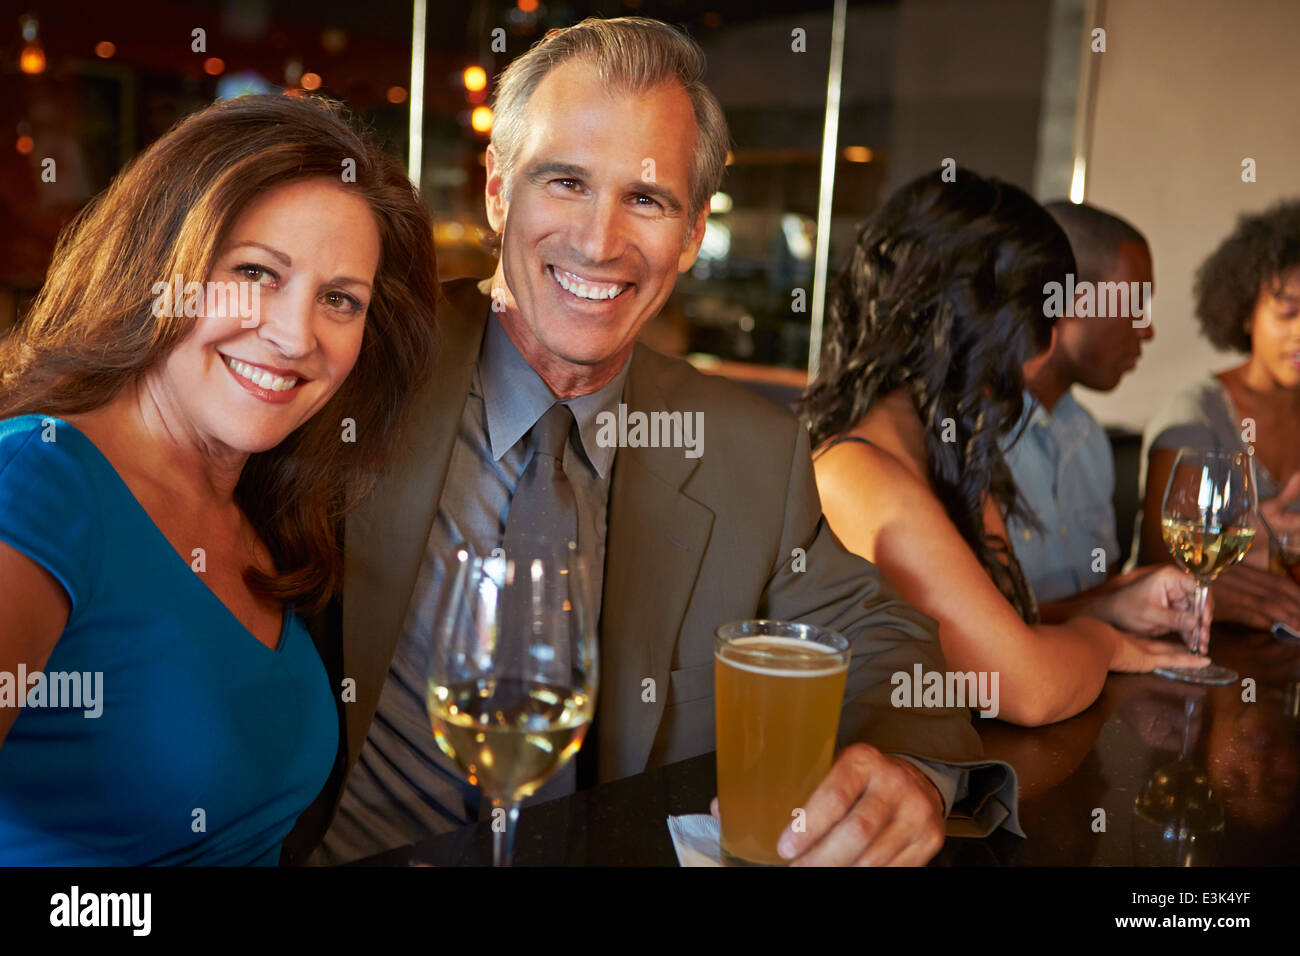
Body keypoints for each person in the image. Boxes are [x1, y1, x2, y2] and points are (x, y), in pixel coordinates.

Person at [290, 16, 1018, 870]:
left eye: (646, 198)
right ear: (497, 192)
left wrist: (912, 773)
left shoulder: (750, 450)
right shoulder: (353, 363)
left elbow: (884, 641)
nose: (599, 242)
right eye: (564, 181)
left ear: (695, 231)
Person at [0, 94, 439, 864]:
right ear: (157, 264)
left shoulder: (266, 516)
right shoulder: (35, 480)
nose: (294, 335)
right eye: (256, 273)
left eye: (340, 300)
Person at [802, 169, 1209, 730]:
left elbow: (1004, 620)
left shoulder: (946, 452)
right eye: (1043, 322)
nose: (1044, 353)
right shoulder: (858, 473)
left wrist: (1108, 605)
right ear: (982, 326)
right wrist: (1105, 641)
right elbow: (1026, 687)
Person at [1000, 203, 1207, 639]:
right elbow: (968, 625)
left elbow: (1105, 587)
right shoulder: (972, 437)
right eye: (1135, 302)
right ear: (1065, 298)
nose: (1146, 330)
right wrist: (1111, 606)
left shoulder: (1088, 438)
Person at [1138, 200, 1300, 632]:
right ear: (1246, 312)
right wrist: (1250, 535)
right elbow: (1157, 567)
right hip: (1198, 650)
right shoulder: (1196, 414)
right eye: (1288, 313)